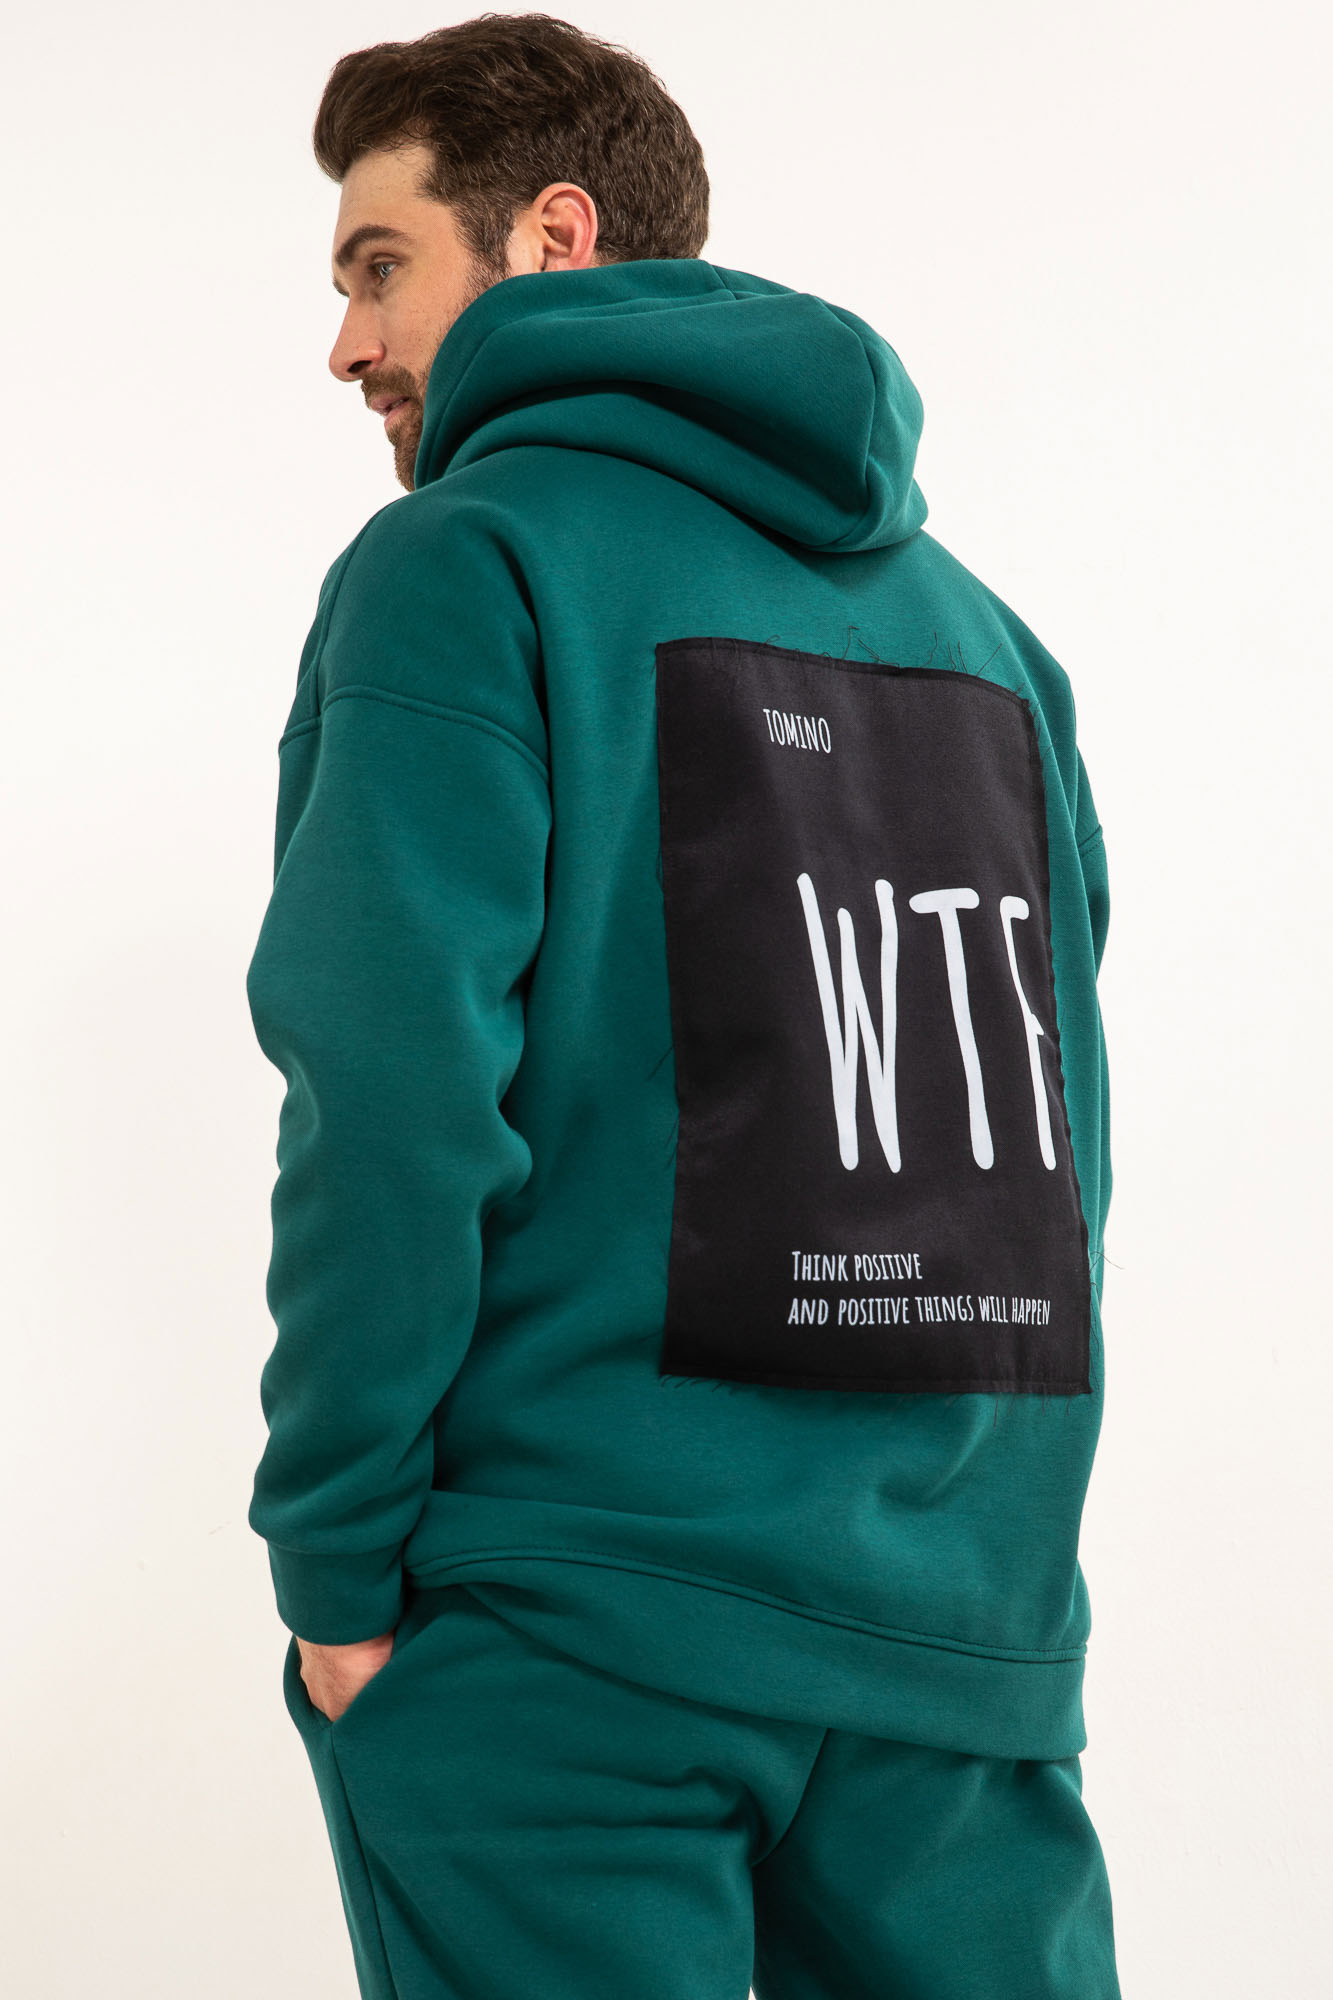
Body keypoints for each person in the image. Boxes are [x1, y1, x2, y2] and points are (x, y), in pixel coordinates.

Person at [245, 13, 1121, 1997]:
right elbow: (1054, 1155)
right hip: (950, 1663)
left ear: (551, 238)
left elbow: (388, 1096)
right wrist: (989, 1602)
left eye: (379, 265)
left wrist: (337, 1568)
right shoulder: (991, 645)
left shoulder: (465, 565)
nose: (349, 344)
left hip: (569, 1646)